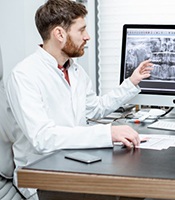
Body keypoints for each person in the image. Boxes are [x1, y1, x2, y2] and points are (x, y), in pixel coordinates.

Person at [5, 0, 152, 199]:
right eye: (81, 30)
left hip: (76, 164)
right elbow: (43, 138)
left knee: (134, 190)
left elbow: (95, 109)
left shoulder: (74, 70)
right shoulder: (24, 75)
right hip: (41, 177)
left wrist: (131, 83)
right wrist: (107, 133)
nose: (87, 36)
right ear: (59, 34)